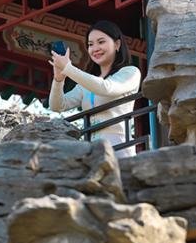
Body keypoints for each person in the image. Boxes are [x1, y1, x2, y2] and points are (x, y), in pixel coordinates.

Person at [47, 20, 142, 157]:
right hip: (91, 150)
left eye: (101, 42)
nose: (95, 48)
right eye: (90, 44)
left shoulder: (130, 72)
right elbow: (57, 105)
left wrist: (68, 68)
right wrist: (58, 79)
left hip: (118, 148)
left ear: (117, 44)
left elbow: (106, 88)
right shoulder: (86, 84)